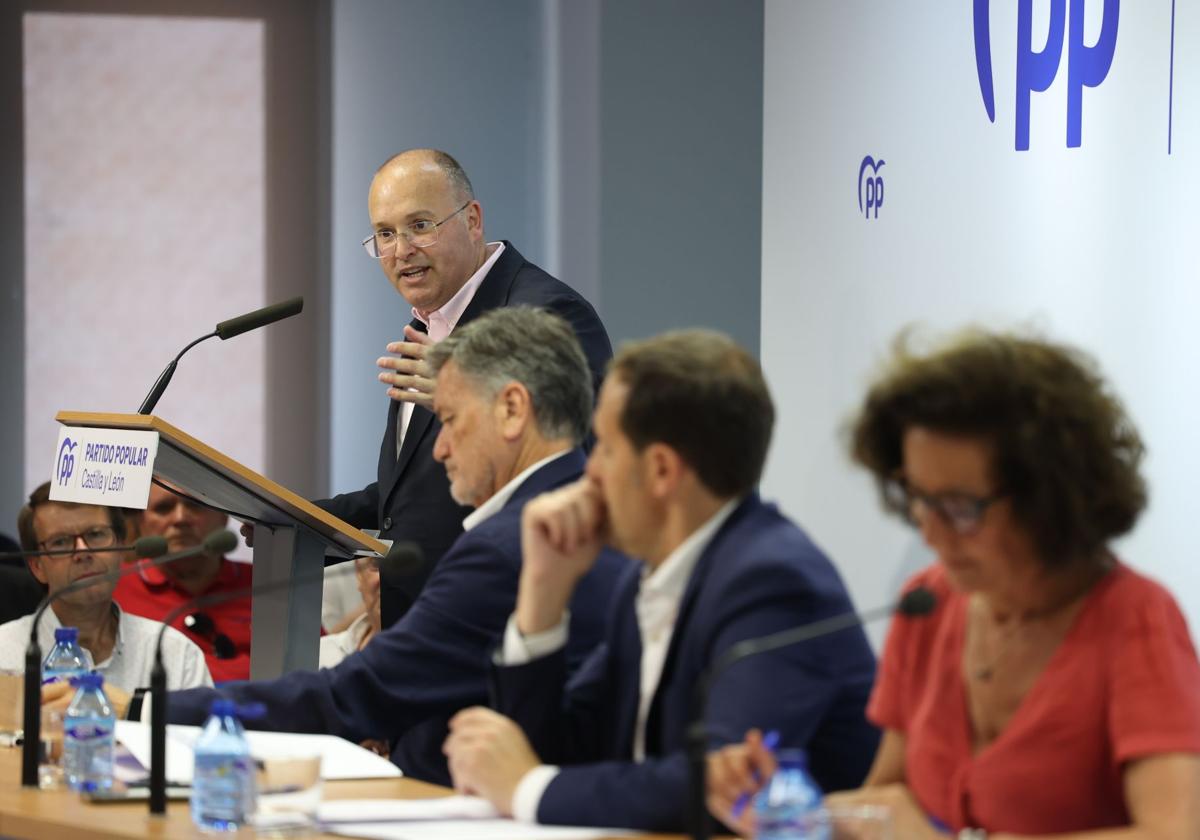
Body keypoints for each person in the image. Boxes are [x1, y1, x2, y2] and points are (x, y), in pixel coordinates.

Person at [708, 329, 1200, 839]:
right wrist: (779, 805)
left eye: (961, 508)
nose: (929, 530)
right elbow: (888, 806)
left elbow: (1172, 833)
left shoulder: (1136, 619)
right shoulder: (931, 605)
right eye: (917, 498)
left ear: (1051, 498)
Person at [135, 308, 627, 787]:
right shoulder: (605, 523)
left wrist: (145, 708)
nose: (440, 449)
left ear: (513, 409)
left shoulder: (506, 546)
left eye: (450, 419)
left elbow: (352, 696)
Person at [442, 329, 879, 832]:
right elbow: (555, 749)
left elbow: (716, 787)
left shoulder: (774, 583)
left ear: (662, 470)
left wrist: (527, 788)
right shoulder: (644, 578)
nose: (590, 474)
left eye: (604, 448)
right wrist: (543, 592)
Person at [315, 149, 612, 628]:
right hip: (423, 625)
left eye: (420, 225)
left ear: (472, 220)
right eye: (385, 234)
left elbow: (576, 466)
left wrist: (468, 395)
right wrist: (297, 519)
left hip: (499, 623)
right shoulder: (431, 323)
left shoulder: (545, 314)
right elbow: (415, 494)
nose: (401, 250)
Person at [0, 483, 211, 699]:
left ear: (120, 547)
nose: (83, 552)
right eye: (60, 542)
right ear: (37, 566)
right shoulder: (4, 653)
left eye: (95, 535)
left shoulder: (175, 654)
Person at [114, 483, 252, 682]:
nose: (180, 518)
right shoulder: (112, 587)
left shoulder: (266, 583)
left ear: (224, 516)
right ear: (141, 522)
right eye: (163, 508)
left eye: (195, 505)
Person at [318, 555, 381, 669]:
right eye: (376, 563)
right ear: (359, 573)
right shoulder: (321, 655)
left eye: (403, 564)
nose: (388, 578)